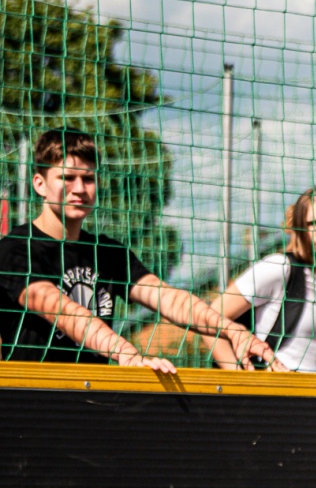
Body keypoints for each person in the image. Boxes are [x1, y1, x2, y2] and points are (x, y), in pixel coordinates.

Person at [0, 129, 277, 372]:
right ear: (40, 184)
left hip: (93, 395)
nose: (79, 188)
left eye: (88, 178)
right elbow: (63, 311)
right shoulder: (14, 250)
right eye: (67, 177)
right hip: (32, 395)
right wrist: (126, 353)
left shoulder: (108, 252)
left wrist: (233, 330)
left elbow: (168, 298)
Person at [213, 186, 316, 372]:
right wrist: (237, 375)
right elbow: (213, 315)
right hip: (274, 385)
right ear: (300, 231)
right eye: (311, 223)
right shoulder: (279, 268)